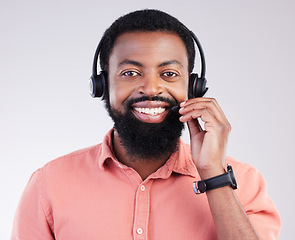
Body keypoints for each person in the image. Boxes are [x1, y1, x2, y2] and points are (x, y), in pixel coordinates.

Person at [11, 9, 281, 240]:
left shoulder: (243, 184)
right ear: (102, 85)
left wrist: (213, 174)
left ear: (194, 86)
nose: (152, 88)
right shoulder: (49, 184)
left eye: (169, 74)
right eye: (130, 73)